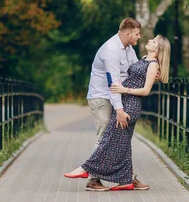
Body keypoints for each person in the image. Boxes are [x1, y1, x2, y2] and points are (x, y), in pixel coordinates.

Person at [64, 35, 171, 191]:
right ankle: (126, 180)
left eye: (154, 41)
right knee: (123, 144)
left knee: (109, 140)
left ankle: (85, 169)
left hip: (130, 106)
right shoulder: (143, 59)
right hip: (125, 102)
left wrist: (124, 89)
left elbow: (146, 90)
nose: (149, 40)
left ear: (159, 49)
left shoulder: (153, 65)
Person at [64, 18, 141, 191]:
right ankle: (93, 179)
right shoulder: (111, 50)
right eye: (137, 34)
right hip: (101, 97)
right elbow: (112, 83)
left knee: (122, 137)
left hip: (116, 95)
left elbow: (135, 69)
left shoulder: (129, 49)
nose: (139, 37)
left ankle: (126, 177)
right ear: (127, 33)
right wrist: (120, 110)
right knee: (105, 135)